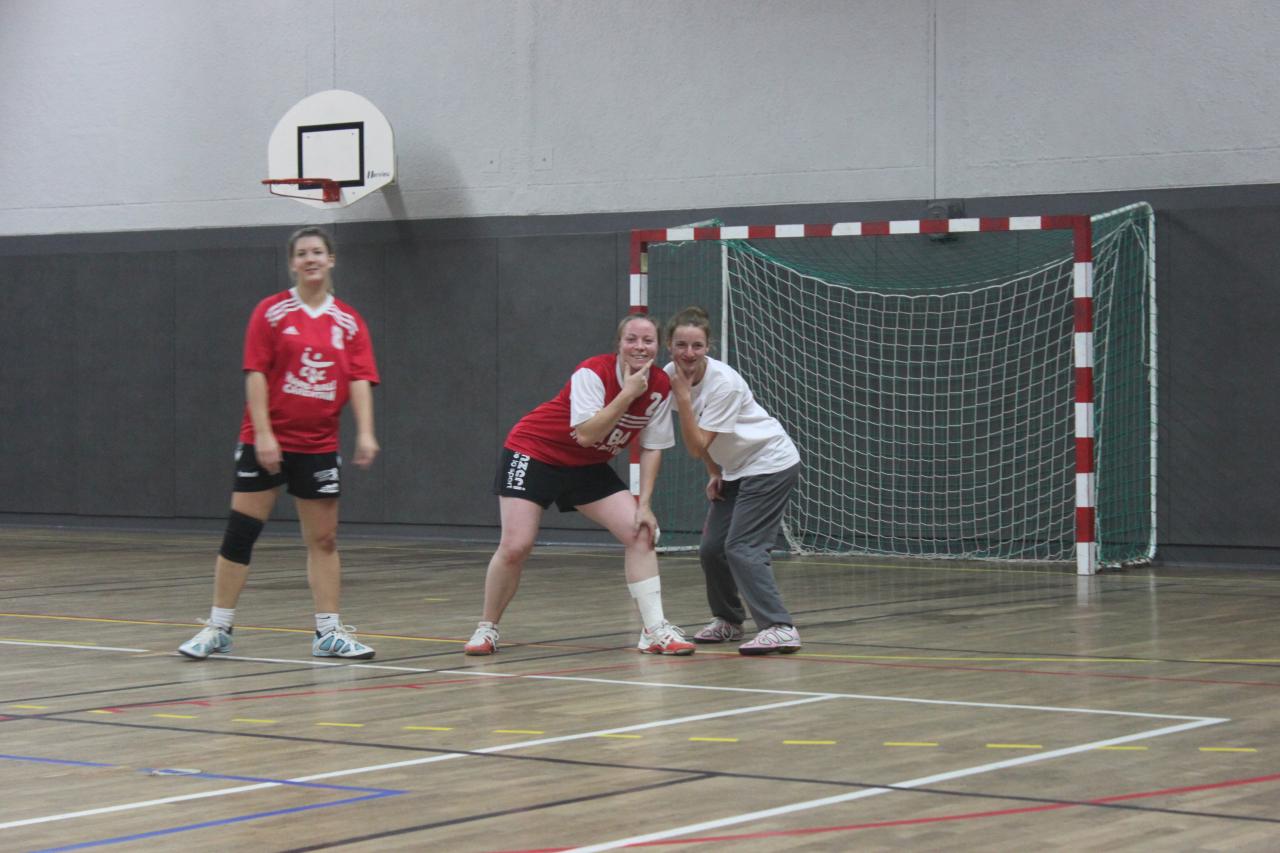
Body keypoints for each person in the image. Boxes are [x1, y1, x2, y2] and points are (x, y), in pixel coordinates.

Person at [179, 226, 381, 660]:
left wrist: (365, 431)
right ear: (292, 263)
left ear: (331, 260)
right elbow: (255, 373)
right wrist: (265, 433)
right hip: (265, 442)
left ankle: (328, 633)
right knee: (242, 532)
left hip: (319, 445)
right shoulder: (271, 313)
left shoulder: (347, 322)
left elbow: (361, 378)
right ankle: (218, 628)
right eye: (302, 253)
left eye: (318, 252)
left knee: (323, 539)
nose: (310, 259)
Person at [463, 313, 694, 656]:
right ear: (619, 344)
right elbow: (586, 434)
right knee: (516, 546)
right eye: (632, 339)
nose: (639, 347)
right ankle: (487, 628)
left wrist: (644, 504)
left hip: (586, 466)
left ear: (657, 348)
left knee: (640, 531)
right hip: (534, 452)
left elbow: (652, 447)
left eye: (647, 341)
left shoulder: (660, 386)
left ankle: (654, 629)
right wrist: (627, 394)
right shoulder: (593, 372)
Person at [664, 306, 802, 655]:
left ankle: (779, 627)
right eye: (682, 345)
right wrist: (715, 472)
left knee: (742, 547)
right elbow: (702, 445)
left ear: (708, 346)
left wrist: (682, 396)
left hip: (769, 463)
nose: (689, 353)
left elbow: (696, 445)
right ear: (670, 346)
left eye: (697, 345)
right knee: (712, 549)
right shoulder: (669, 376)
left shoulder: (723, 384)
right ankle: (728, 620)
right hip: (735, 469)